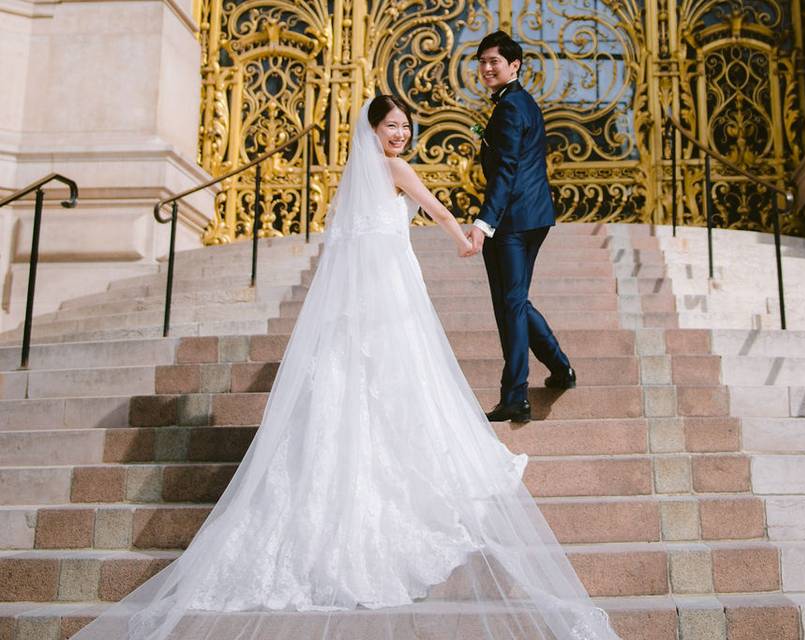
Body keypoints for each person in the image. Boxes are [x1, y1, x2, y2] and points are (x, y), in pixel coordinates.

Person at [67, 96, 618, 639]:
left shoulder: (356, 179)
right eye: (393, 125)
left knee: (356, 390)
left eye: (406, 126)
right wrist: (466, 238)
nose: (401, 134)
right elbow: (435, 207)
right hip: (390, 301)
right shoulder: (395, 168)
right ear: (374, 129)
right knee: (401, 385)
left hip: (360, 305)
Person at [467, 31, 577, 424]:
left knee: (510, 305)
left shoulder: (512, 107)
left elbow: (507, 171)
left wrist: (484, 222)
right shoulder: (519, 103)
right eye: (481, 62)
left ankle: (515, 396)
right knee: (513, 302)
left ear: (514, 65)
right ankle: (560, 367)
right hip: (529, 215)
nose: (486, 68)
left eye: (493, 61)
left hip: (513, 220)